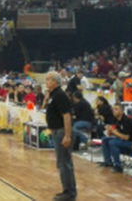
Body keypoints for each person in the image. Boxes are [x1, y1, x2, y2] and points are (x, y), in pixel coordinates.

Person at [45, 71, 76, 201]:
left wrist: (67, 136)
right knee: (62, 162)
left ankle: (69, 192)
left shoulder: (60, 95)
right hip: (56, 131)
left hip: (61, 131)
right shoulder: (53, 95)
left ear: (56, 82)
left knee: (64, 163)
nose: (46, 81)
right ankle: (68, 190)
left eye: (48, 79)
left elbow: (66, 115)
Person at [99, 103, 132, 172]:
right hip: (126, 141)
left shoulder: (126, 120)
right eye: (113, 109)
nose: (113, 111)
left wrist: (113, 132)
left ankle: (118, 166)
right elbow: (115, 133)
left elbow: (126, 137)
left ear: (122, 111)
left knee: (113, 142)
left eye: (116, 109)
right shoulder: (116, 120)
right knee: (105, 139)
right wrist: (109, 130)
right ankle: (108, 162)